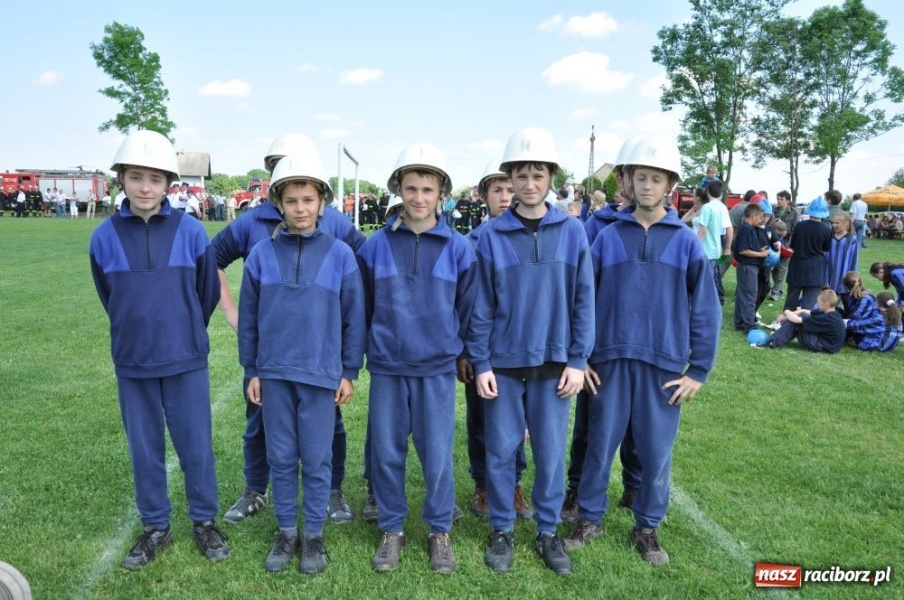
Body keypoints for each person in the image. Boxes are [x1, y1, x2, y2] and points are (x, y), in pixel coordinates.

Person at [564, 136, 720, 567]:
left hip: (664, 366)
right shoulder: (607, 237)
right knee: (599, 446)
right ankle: (589, 517)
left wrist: (699, 370)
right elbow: (583, 300)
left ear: (670, 184)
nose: (647, 186)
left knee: (654, 451)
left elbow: (706, 309)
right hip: (609, 363)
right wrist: (583, 357)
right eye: (640, 177)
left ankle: (647, 525)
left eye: (656, 179)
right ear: (629, 181)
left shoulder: (686, 241)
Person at [88, 130, 228, 569]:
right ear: (122, 180)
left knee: (195, 445)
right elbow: (109, 295)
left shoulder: (191, 231)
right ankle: (155, 526)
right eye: (135, 177)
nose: (144, 187)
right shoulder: (102, 237)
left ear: (169, 183)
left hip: (185, 358)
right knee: (144, 448)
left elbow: (205, 292)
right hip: (133, 362)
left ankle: (204, 521)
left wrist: (183, 330)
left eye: (154, 178)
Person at [212, 133, 366, 528]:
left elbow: (364, 265)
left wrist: (347, 361)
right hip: (272, 358)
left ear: (319, 194)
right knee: (260, 423)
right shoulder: (250, 225)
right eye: (290, 195)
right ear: (277, 190)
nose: (300, 205)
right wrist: (231, 310)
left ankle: (331, 491)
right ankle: (255, 488)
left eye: (307, 196)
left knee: (328, 428)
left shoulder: (337, 227)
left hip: (318, 360)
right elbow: (209, 260)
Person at [468, 127, 593, 576]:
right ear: (510, 179)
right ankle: (501, 528)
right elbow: (479, 305)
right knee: (501, 450)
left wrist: (578, 360)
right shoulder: (489, 235)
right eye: (520, 174)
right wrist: (481, 362)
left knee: (550, 452)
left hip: (556, 366)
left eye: (537, 173)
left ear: (550, 177)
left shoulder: (573, 230)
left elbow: (584, 299)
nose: (528, 182)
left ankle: (546, 530)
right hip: (502, 365)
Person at [359, 143, 476, 575]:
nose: (419, 197)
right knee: (388, 452)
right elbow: (363, 307)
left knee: (437, 453)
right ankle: (392, 528)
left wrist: (463, 352)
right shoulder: (374, 247)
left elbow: (469, 308)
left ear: (442, 192)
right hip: (389, 366)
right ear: (398, 190)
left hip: (436, 369)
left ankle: (439, 530)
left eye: (428, 189)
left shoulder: (460, 248)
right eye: (411, 188)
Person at [562, 137, 642, 525]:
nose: (636, 184)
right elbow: (582, 291)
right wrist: (584, 353)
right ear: (622, 180)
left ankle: (635, 484)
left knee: (640, 426)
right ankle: (577, 489)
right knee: (591, 424)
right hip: (602, 348)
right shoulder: (597, 225)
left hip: (644, 347)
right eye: (630, 175)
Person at [458, 159, 531, 521]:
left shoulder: (524, 236)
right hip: (481, 348)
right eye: (496, 190)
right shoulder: (469, 242)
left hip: (515, 347)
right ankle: (483, 483)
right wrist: (466, 350)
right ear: (484, 195)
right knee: (481, 418)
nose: (505, 196)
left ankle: (514, 481)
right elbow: (464, 302)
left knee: (517, 419)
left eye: (508, 188)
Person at [760, 289, 845, 353]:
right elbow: (806, 312)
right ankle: (777, 338)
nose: (817, 305)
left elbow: (797, 320)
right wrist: (789, 315)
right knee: (802, 317)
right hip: (829, 345)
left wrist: (786, 312)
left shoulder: (827, 318)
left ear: (825, 304)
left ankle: (771, 342)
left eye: (818, 302)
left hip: (823, 346)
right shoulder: (832, 313)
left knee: (797, 323)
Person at [784, 197, 832, 311]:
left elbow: (793, 246)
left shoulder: (800, 226)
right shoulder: (827, 230)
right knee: (808, 304)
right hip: (815, 268)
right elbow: (826, 249)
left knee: (791, 300)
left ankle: (784, 324)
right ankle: (804, 326)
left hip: (798, 265)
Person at [733, 203, 772, 332]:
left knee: (743, 295)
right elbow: (743, 250)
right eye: (760, 217)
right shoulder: (747, 228)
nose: (761, 220)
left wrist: (759, 249)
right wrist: (760, 254)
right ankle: (749, 325)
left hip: (748, 266)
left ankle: (740, 323)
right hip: (748, 266)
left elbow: (748, 247)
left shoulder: (749, 228)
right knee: (750, 295)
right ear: (753, 215)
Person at [840, 272, 901, 352]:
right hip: (888, 346)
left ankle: (838, 338)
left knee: (855, 318)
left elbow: (858, 326)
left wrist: (839, 322)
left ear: (878, 303)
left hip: (876, 346)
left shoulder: (880, 318)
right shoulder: (895, 315)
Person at [698, 180, 734, 306]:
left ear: (707, 191)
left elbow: (702, 230)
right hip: (716, 249)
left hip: (705, 249)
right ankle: (718, 301)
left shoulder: (707, 208)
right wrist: (727, 248)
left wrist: (694, 247)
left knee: (706, 279)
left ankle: (710, 303)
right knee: (714, 278)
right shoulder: (723, 207)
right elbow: (730, 228)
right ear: (720, 194)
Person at [826, 213, 859, 294]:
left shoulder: (851, 238)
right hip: (830, 269)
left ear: (846, 223)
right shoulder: (830, 237)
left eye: (837, 223)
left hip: (844, 270)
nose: (834, 225)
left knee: (844, 296)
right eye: (833, 223)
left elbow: (854, 257)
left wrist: (852, 274)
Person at [769, 220, 791, 301]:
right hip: (775, 256)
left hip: (785, 256)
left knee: (781, 273)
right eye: (778, 232)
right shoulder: (771, 235)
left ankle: (776, 291)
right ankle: (777, 289)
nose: (781, 234)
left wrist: (787, 248)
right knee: (774, 273)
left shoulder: (788, 236)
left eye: (783, 232)